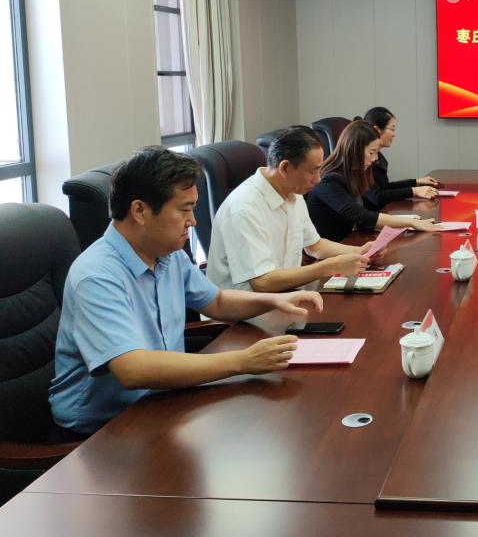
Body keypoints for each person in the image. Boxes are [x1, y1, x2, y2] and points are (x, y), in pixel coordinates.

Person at [49, 147, 324, 435]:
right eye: (184, 209)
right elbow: (133, 369)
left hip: (161, 400)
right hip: (101, 428)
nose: (193, 221)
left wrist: (276, 300)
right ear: (140, 211)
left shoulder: (167, 255)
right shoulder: (97, 276)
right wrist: (243, 361)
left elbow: (217, 301)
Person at [206, 126, 369, 292]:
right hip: (248, 304)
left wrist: (360, 252)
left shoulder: (293, 192)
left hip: (285, 293)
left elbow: (315, 246)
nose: (318, 179)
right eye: (313, 171)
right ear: (285, 168)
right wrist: (330, 266)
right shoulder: (244, 207)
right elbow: (262, 282)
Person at [308, 120, 442, 241]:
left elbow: (368, 206)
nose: (375, 159)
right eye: (371, 152)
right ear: (354, 150)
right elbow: (362, 216)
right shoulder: (329, 181)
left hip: (350, 243)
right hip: (332, 251)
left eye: (377, 152)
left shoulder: (354, 174)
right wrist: (412, 223)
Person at [361, 106, 439, 208]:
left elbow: (384, 187)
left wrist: (416, 182)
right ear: (376, 130)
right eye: (392, 129)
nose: (394, 134)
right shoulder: (364, 160)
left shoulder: (377, 156)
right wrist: (414, 191)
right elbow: (377, 196)